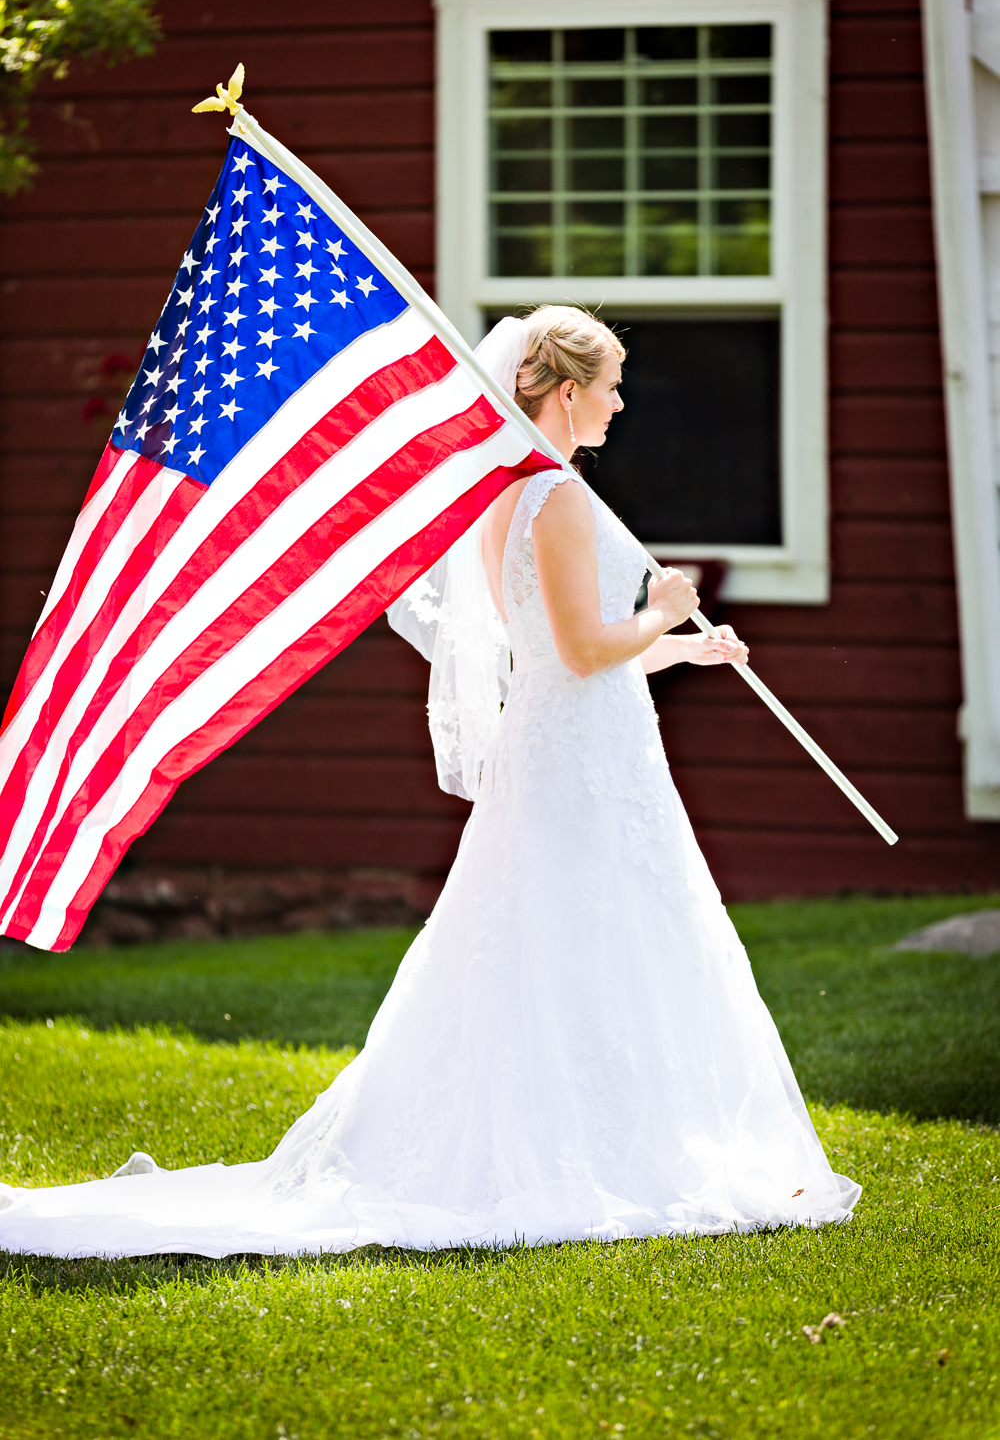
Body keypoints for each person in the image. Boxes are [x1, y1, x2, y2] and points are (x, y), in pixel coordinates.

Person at [0, 306, 859, 1258]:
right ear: (567, 392)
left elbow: (548, 661)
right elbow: (579, 652)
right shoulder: (559, 496)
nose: (622, 402)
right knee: (594, 926)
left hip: (567, 742)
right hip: (582, 757)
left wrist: (681, 650)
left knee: (565, 934)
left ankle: (589, 1129)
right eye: (612, 384)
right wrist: (658, 611)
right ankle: (592, 1148)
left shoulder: (508, 494)